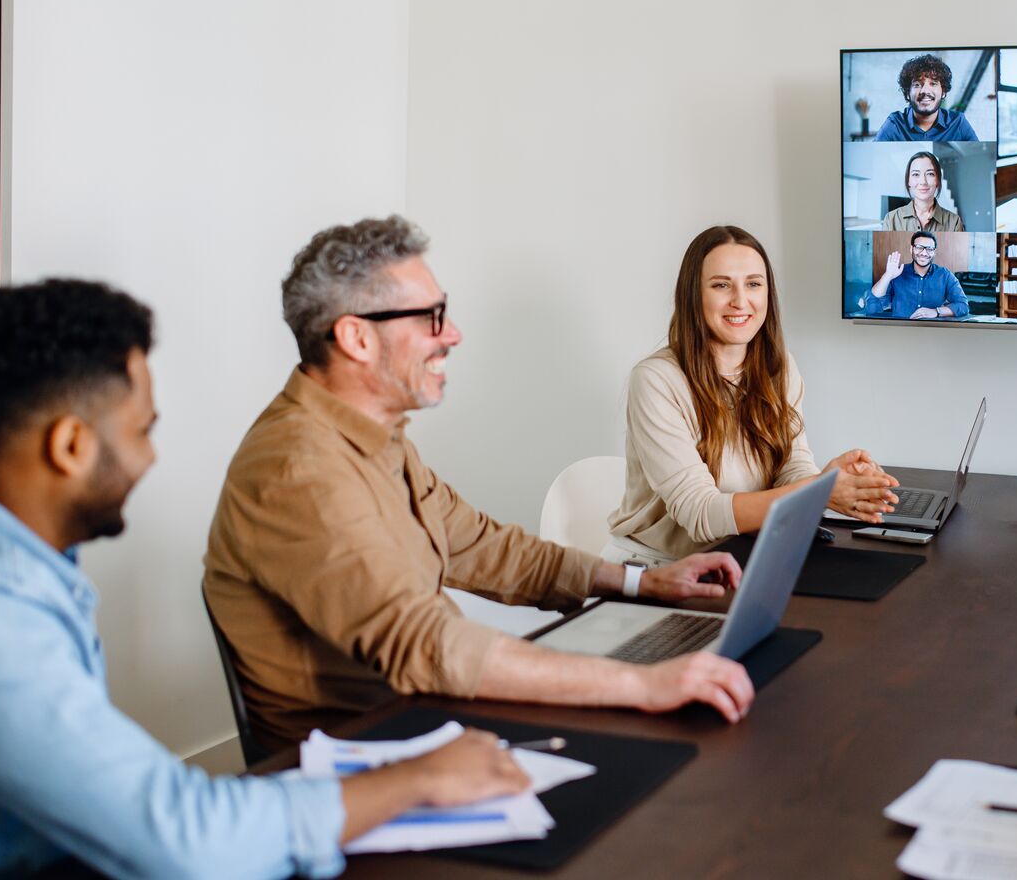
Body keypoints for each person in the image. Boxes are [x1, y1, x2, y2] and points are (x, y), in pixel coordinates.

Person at [0, 280, 529, 880]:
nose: (151, 459)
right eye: (143, 431)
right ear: (69, 445)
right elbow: (181, 842)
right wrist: (417, 779)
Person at [204, 217, 758, 755]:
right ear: (356, 338)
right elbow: (429, 645)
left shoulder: (376, 440)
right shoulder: (300, 471)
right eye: (430, 317)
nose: (453, 334)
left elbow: (490, 549)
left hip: (428, 717)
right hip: (368, 755)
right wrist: (643, 685)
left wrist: (642, 583)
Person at [606, 226, 900, 563]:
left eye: (753, 284)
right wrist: (820, 492)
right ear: (693, 295)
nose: (740, 301)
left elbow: (791, 466)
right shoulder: (656, 380)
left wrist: (827, 480)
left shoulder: (780, 367)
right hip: (657, 568)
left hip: (741, 553)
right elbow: (701, 514)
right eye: (721, 285)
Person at [863, 230, 969, 319]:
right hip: (900, 331)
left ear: (934, 252)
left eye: (929, 249)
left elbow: (963, 306)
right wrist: (887, 275)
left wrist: (936, 311)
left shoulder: (945, 275)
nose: (924, 253)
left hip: (932, 332)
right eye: (919, 247)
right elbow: (872, 306)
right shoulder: (897, 272)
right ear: (911, 249)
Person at [875, 53, 979, 141]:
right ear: (907, 93)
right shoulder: (894, 124)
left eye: (933, 84)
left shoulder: (958, 122)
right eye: (917, 84)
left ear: (943, 91)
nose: (925, 91)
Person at [880, 150, 964, 232]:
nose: (923, 182)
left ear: (938, 180)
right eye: (916, 174)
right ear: (908, 180)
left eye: (930, 174)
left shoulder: (954, 222)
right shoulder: (891, 219)